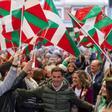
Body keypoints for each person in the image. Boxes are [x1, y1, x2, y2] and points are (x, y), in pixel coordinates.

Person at [16, 67, 94, 112]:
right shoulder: (44, 89)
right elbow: (28, 93)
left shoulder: (68, 91)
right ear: (51, 77)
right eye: (54, 77)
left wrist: (93, 107)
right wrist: (11, 89)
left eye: (58, 77)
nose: (56, 79)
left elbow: (79, 102)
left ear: (62, 77)